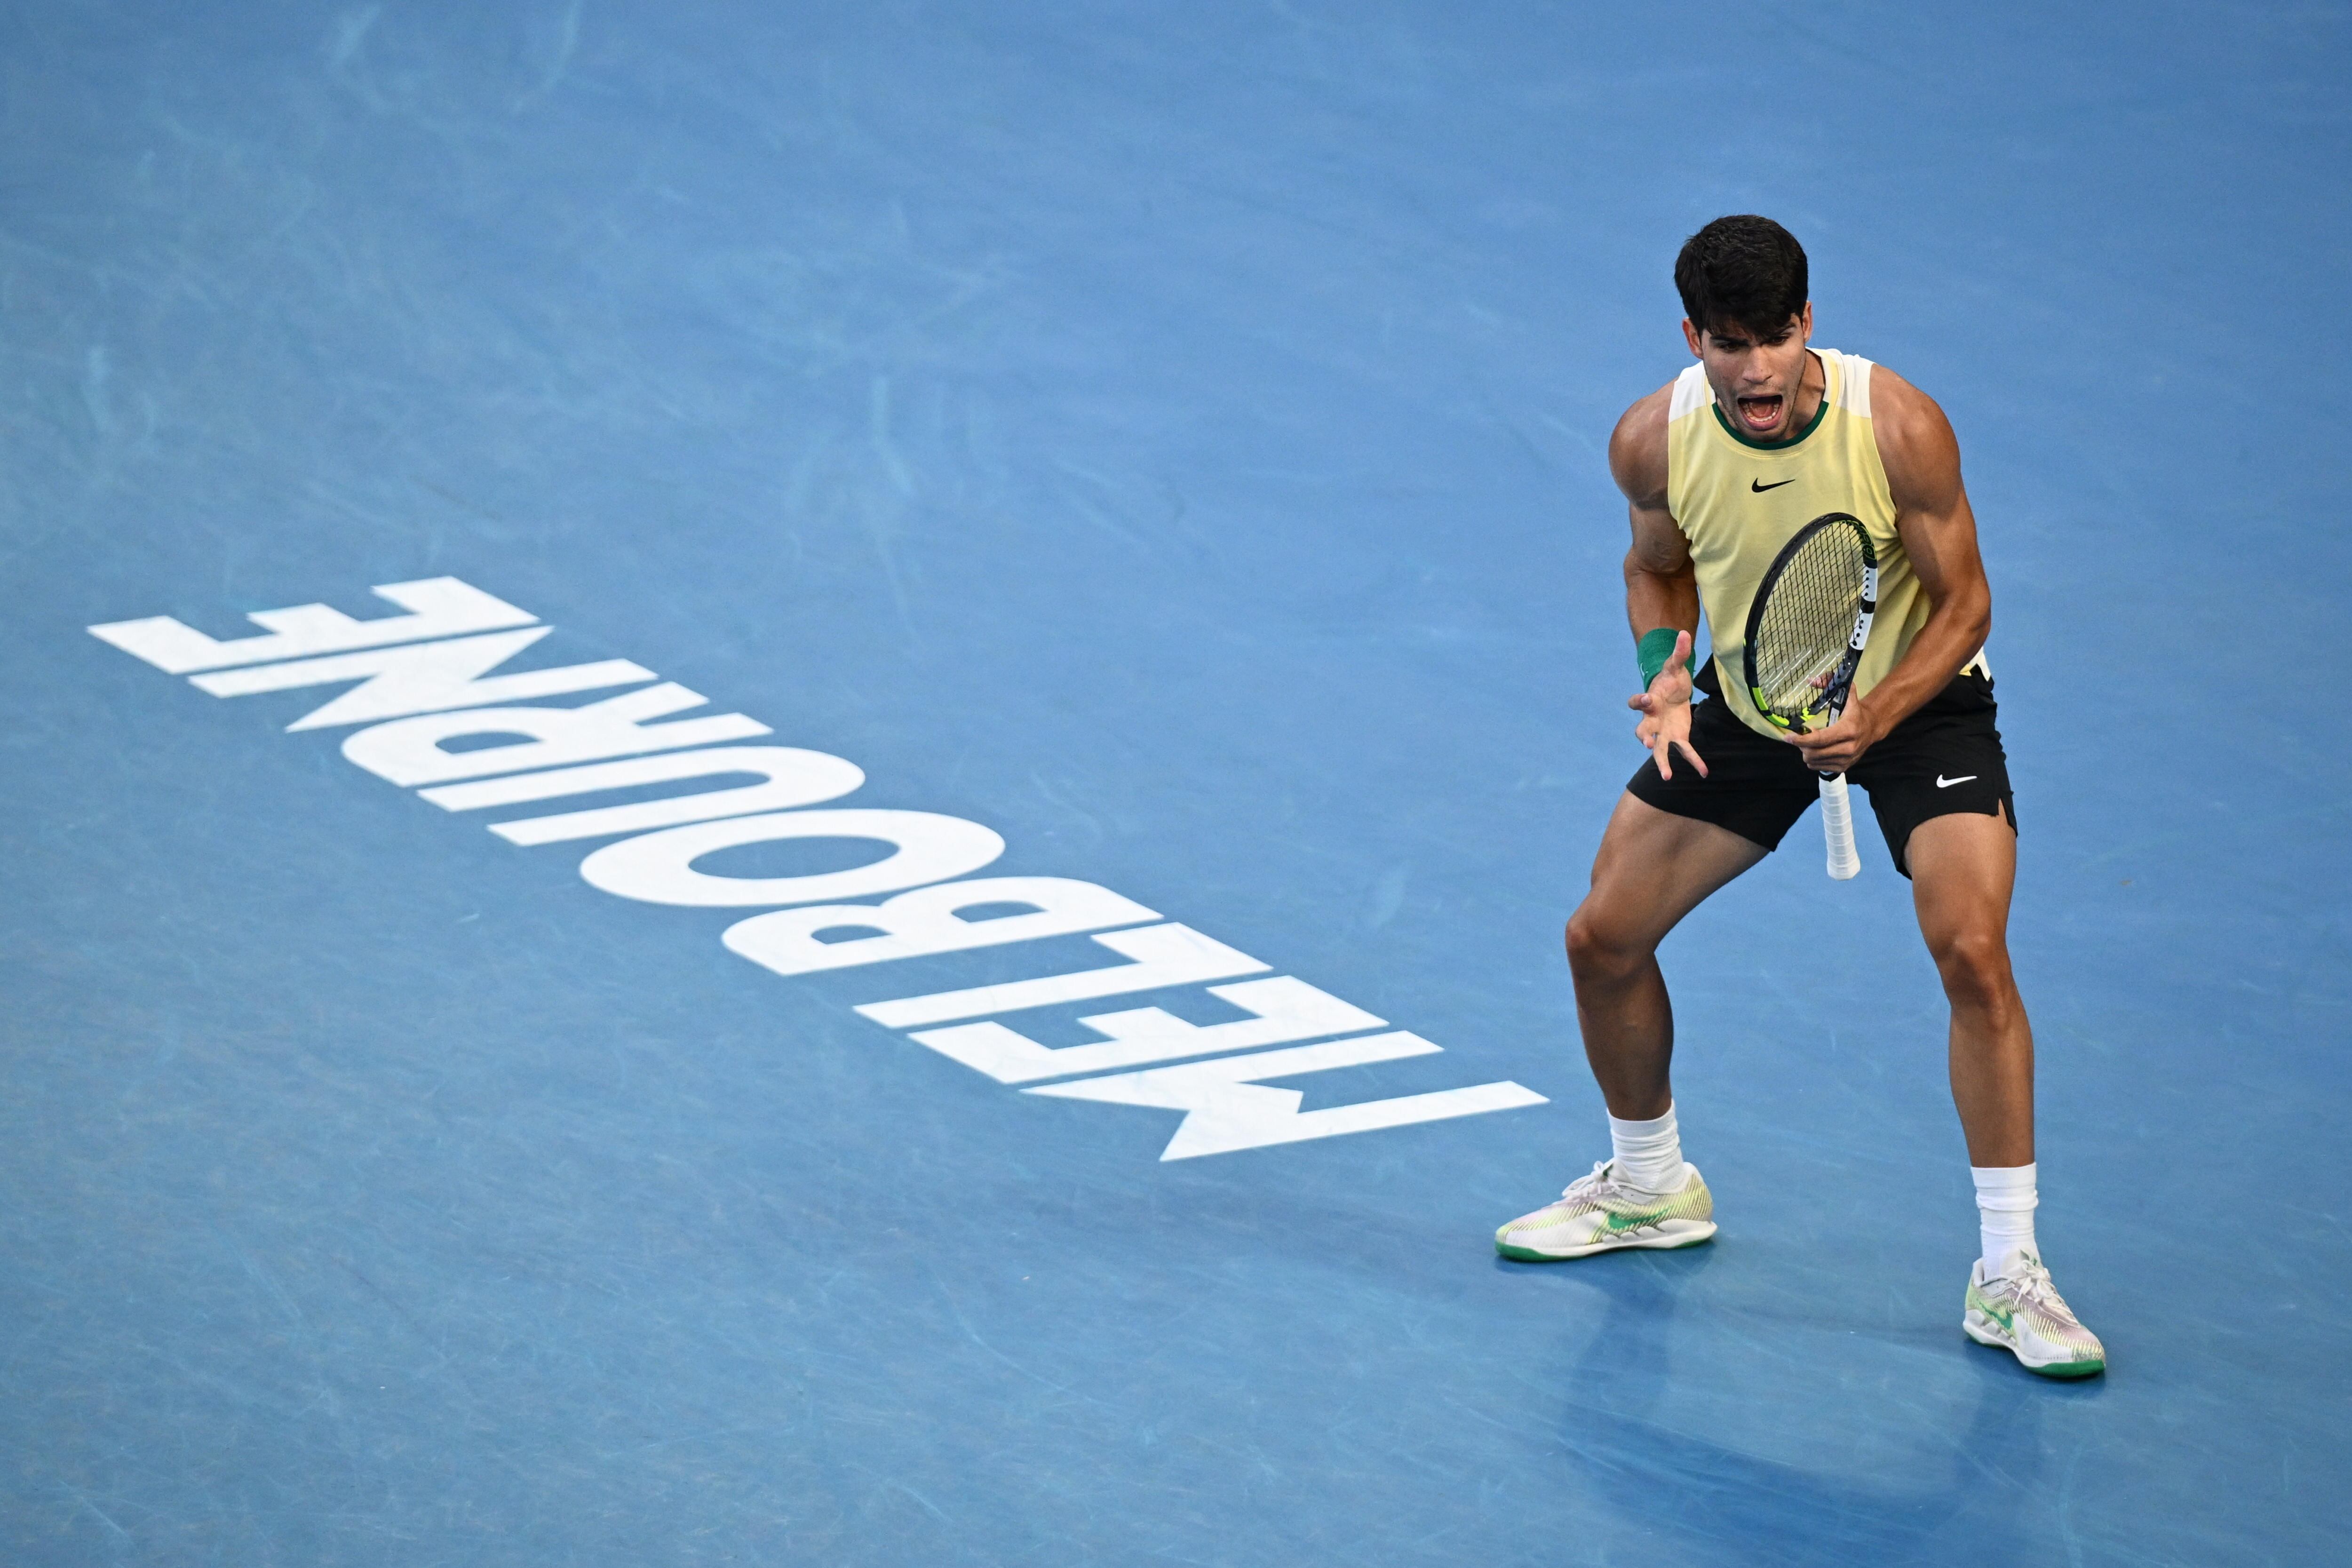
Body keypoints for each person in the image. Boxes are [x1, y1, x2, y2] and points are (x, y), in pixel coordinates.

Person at [1494, 215, 2104, 1378]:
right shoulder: (1652, 442)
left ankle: (2009, 1271)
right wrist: (1664, 675)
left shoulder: (1899, 426)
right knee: (1602, 937)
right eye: (1732, 344)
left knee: (1972, 951)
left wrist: (1877, 713)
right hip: (1757, 703)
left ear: (1807, 323)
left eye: (1776, 336)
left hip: (1917, 707)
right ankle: (1648, 1182)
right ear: (1694, 339)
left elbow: (1966, 604)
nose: (1758, 367)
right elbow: (1656, 565)